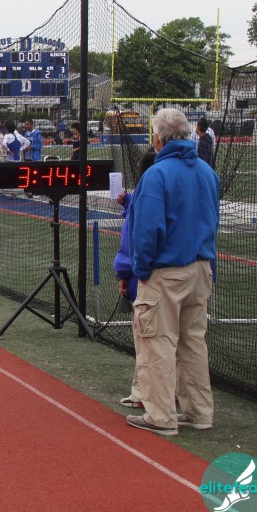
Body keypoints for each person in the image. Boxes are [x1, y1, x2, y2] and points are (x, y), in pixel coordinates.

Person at [127, 109, 220, 436]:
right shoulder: (207, 172)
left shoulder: (157, 174)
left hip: (166, 271)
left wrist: (141, 269)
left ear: (158, 138)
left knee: (157, 343)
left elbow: (147, 229)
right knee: (193, 343)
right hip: (201, 268)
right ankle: (199, 412)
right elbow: (213, 221)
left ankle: (161, 415)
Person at [114, 149, 157, 411]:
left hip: (150, 276)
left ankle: (144, 393)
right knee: (184, 342)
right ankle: (184, 398)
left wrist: (123, 273)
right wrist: (128, 202)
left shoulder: (148, 191)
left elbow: (133, 241)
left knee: (147, 338)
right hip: (196, 272)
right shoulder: (200, 177)